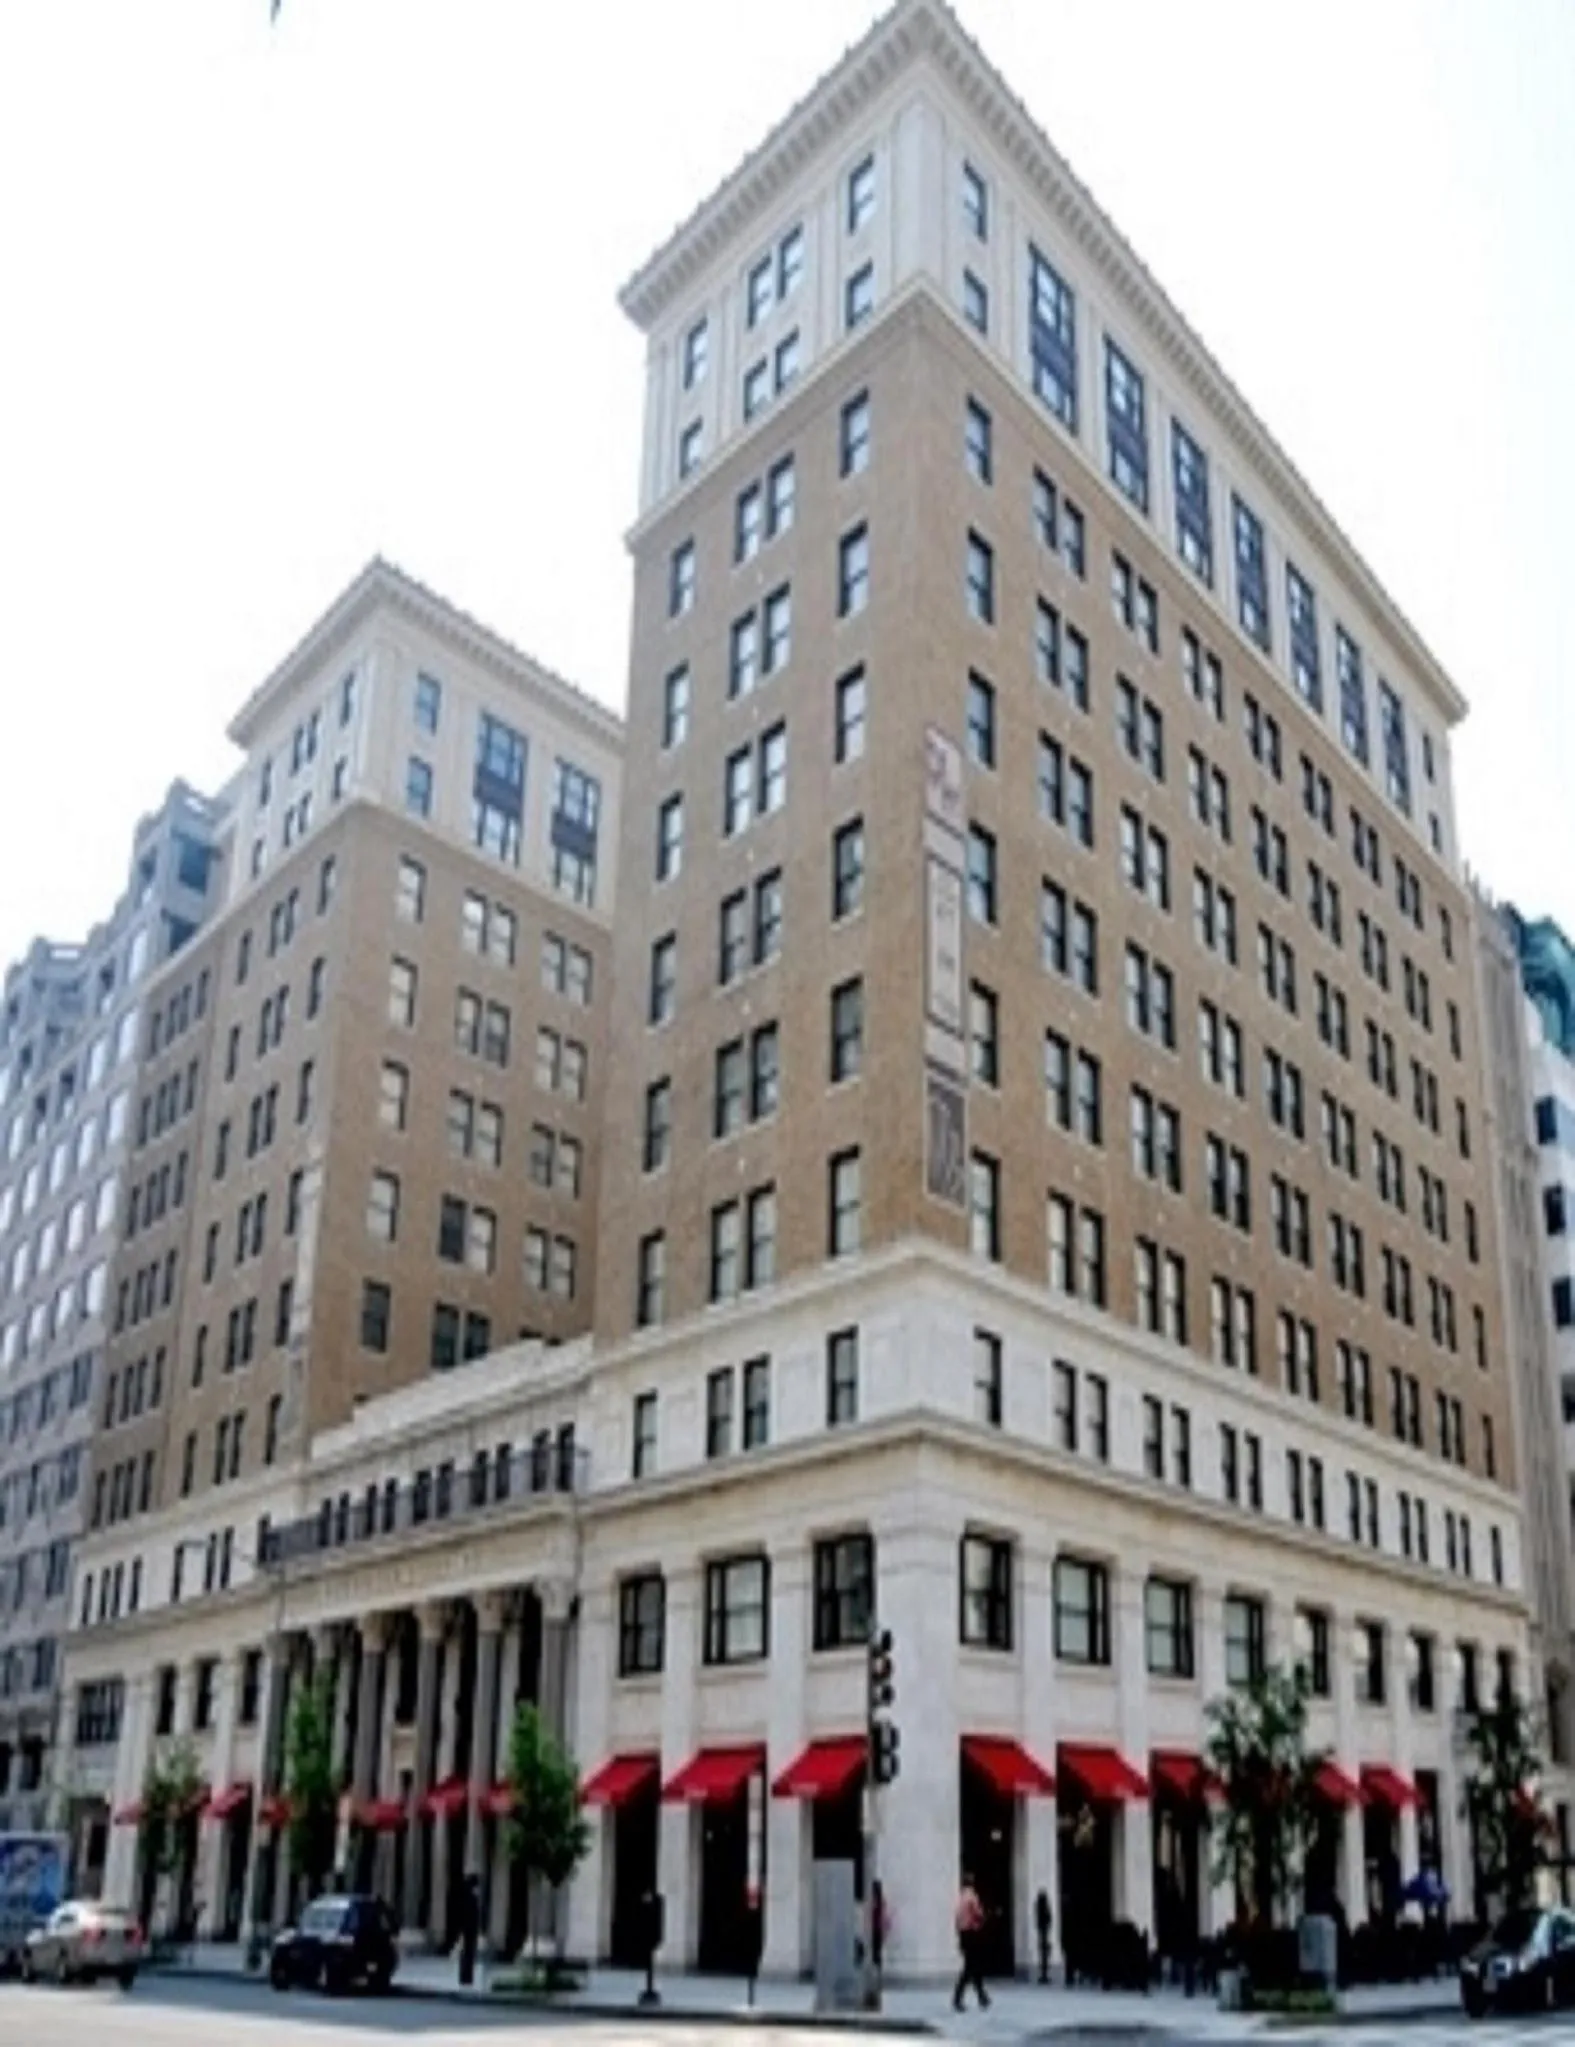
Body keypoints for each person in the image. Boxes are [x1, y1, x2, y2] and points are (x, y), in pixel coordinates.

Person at [953, 1874, 990, 2011]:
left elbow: (957, 1919)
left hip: (964, 1934)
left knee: (974, 1966)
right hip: (972, 1934)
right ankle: (958, 1998)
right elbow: (978, 1914)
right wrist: (983, 1919)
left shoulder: (961, 1897)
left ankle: (982, 1996)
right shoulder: (972, 1897)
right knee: (970, 1967)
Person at [456, 1872, 481, 1987]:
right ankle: (466, 1977)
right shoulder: (471, 1898)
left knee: (466, 1952)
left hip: (467, 1929)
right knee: (468, 1952)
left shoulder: (465, 1897)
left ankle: (465, 1976)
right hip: (469, 1929)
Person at [1034, 1888, 1053, 1984]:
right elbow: (1049, 1919)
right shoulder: (1044, 1909)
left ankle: (1043, 1974)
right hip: (1044, 1933)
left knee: (1043, 1954)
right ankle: (1044, 1974)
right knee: (1045, 1954)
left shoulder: (1038, 1908)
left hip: (1042, 1933)